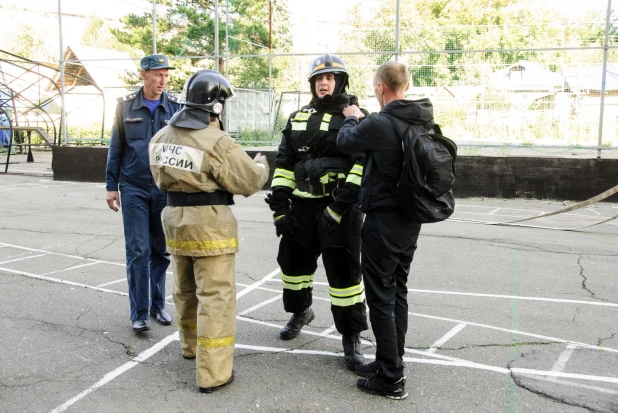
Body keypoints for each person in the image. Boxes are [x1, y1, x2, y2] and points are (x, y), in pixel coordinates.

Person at [149, 69, 269, 393]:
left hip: (175, 220)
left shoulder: (161, 136)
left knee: (185, 290)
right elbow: (249, 181)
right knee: (216, 297)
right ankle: (213, 373)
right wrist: (261, 164)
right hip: (210, 226)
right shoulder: (216, 141)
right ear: (216, 106)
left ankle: (190, 348)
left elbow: (159, 177)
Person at [265, 53, 369, 370]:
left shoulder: (357, 117)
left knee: (345, 276)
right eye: (318, 79)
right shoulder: (297, 116)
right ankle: (301, 311)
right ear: (312, 84)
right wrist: (281, 210)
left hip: (340, 210)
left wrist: (340, 207)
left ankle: (351, 338)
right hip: (302, 208)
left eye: (330, 78)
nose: (324, 83)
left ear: (340, 82)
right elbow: (283, 164)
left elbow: (361, 165)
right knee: (293, 266)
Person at [336, 61, 430, 400]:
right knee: (397, 291)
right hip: (410, 218)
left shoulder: (380, 122)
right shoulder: (420, 119)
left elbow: (345, 141)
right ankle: (391, 361)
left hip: (384, 221)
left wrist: (351, 115)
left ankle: (390, 378)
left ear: (380, 87)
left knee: (380, 297)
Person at [105, 54, 180, 332]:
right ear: (144, 75)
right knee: (138, 250)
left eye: (166, 75)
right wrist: (111, 185)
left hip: (163, 189)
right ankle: (138, 312)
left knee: (160, 251)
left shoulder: (174, 108)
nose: (162, 80)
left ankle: (157, 305)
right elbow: (116, 147)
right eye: (157, 74)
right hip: (134, 188)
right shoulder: (125, 107)